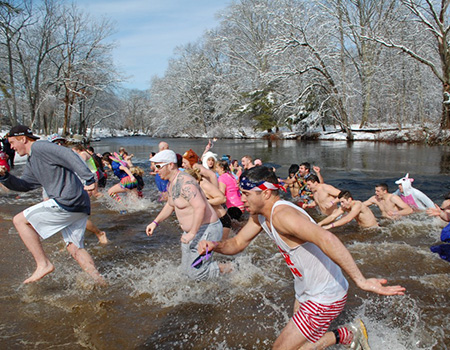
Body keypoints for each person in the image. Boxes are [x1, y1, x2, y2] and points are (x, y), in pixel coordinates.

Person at [197, 166, 405, 350]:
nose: (241, 199)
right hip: (306, 291)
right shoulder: (261, 215)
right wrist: (214, 246)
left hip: (324, 296)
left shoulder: (282, 216)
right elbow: (237, 243)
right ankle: (349, 335)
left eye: (246, 194)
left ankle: (347, 335)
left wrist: (361, 280)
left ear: (266, 193)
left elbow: (327, 238)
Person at [0, 125, 105, 284]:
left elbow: (68, 154)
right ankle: (100, 282)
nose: (11, 147)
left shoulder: (40, 147)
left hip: (68, 200)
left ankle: (43, 264)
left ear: (23, 139)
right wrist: (5, 177)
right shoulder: (32, 159)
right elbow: (25, 185)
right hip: (78, 204)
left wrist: (88, 178)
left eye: (13, 142)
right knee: (74, 248)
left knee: (19, 220)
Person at [146, 149, 225, 281]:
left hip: (207, 230)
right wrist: (155, 222)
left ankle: (233, 268)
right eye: (155, 167)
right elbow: (170, 205)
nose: (156, 170)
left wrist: (192, 233)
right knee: (185, 272)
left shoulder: (186, 182)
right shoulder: (172, 184)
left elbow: (200, 206)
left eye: (159, 166)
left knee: (197, 273)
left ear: (171, 165)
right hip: (191, 232)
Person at [186, 167, 231, 240]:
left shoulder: (204, 185)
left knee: (219, 248)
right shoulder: (190, 188)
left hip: (221, 221)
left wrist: (205, 202)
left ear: (195, 180)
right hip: (208, 223)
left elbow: (222, 199)